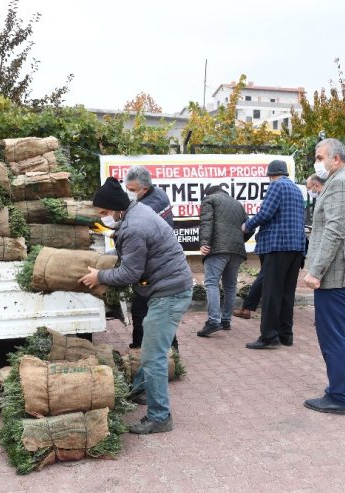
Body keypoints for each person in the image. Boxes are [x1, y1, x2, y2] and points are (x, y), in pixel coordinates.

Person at [79, 177, 192, 434]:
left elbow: (128, 273)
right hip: (165, 288)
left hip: (169, 293)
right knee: (150, 347)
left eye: (105, 213)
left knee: (153, 356)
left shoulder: (134, 226)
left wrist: (99, 276)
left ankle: (160, 417)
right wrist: (101, 260)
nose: (104, 217)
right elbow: (127, 253)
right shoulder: (136, 212)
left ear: (117, 207)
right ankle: (139, 391)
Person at [303, 138, 345, 416]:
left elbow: (334, 230)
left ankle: (339, 395)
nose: (317, 162)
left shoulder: (341, 183)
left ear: (336, 159)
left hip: (338, 275)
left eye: (320, 156)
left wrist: (315, 271)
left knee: (334, 337)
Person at [242, 159, 305, 349]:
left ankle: (269, 336)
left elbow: (265, 214)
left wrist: (247, 226)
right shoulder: (296, 190)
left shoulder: (276, 186)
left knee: (271, 293)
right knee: (287, 293)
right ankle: (286, 335)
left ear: (271, 175)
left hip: (278, 245)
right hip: (296, 247)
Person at [123, 166, 179, 350]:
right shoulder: (158, 194)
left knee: (144, 308)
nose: (128, 193)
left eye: (131, 190)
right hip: (157, 264)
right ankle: (162, 348)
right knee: (153, 308)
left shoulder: (150, 205)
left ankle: (144, 348)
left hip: (157, 267)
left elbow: (136, 230)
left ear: (144, 189)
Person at [196, 185, 248, 337]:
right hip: (237, 250)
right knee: (230, 286)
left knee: (211, 283)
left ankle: (213, 321)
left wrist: (204, 243)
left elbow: (206, 221)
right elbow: (248, 227)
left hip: (217, 249)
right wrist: (239, 241)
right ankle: (226, 320)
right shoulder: (238, 204)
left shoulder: (209, 199)